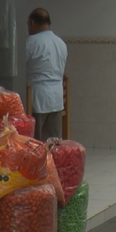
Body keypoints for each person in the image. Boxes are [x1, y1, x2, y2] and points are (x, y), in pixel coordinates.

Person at [26, 8, 68, 141]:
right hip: (57, 98)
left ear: (32, 23)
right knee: (53, 142)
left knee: (37, 142)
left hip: (37, 98)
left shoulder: (31, 42)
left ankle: (40, 163)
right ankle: (53, 162)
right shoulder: (61, 43)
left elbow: (19, 67)